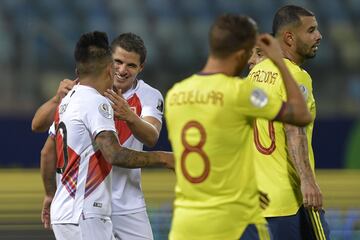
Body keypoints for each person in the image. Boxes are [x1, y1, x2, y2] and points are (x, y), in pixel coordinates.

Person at [165, 14, 312, 240]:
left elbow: (214, 150)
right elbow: (300, 115)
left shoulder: (175, 94)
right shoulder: (240, 92)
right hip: (232, 221)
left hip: (186, 224)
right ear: (242, 52)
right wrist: (279, 62)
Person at [35, 33, 164, 239]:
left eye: (131, 65)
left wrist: (130, 117)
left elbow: (151, 136)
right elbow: (39, 126)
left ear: (141, 68)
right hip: (89, 201)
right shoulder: (87, 92)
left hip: (127, 202)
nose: (122, 70)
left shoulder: (149, 95)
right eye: (118, 62)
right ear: (108, 63)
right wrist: (56, 98)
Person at [248, 5, 330, 239]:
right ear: (289, 38)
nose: (319, 36)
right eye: (311, 30)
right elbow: (294, 129)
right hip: (291, 200)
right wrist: (308, 181)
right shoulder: (295, 76)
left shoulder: (255, 73)